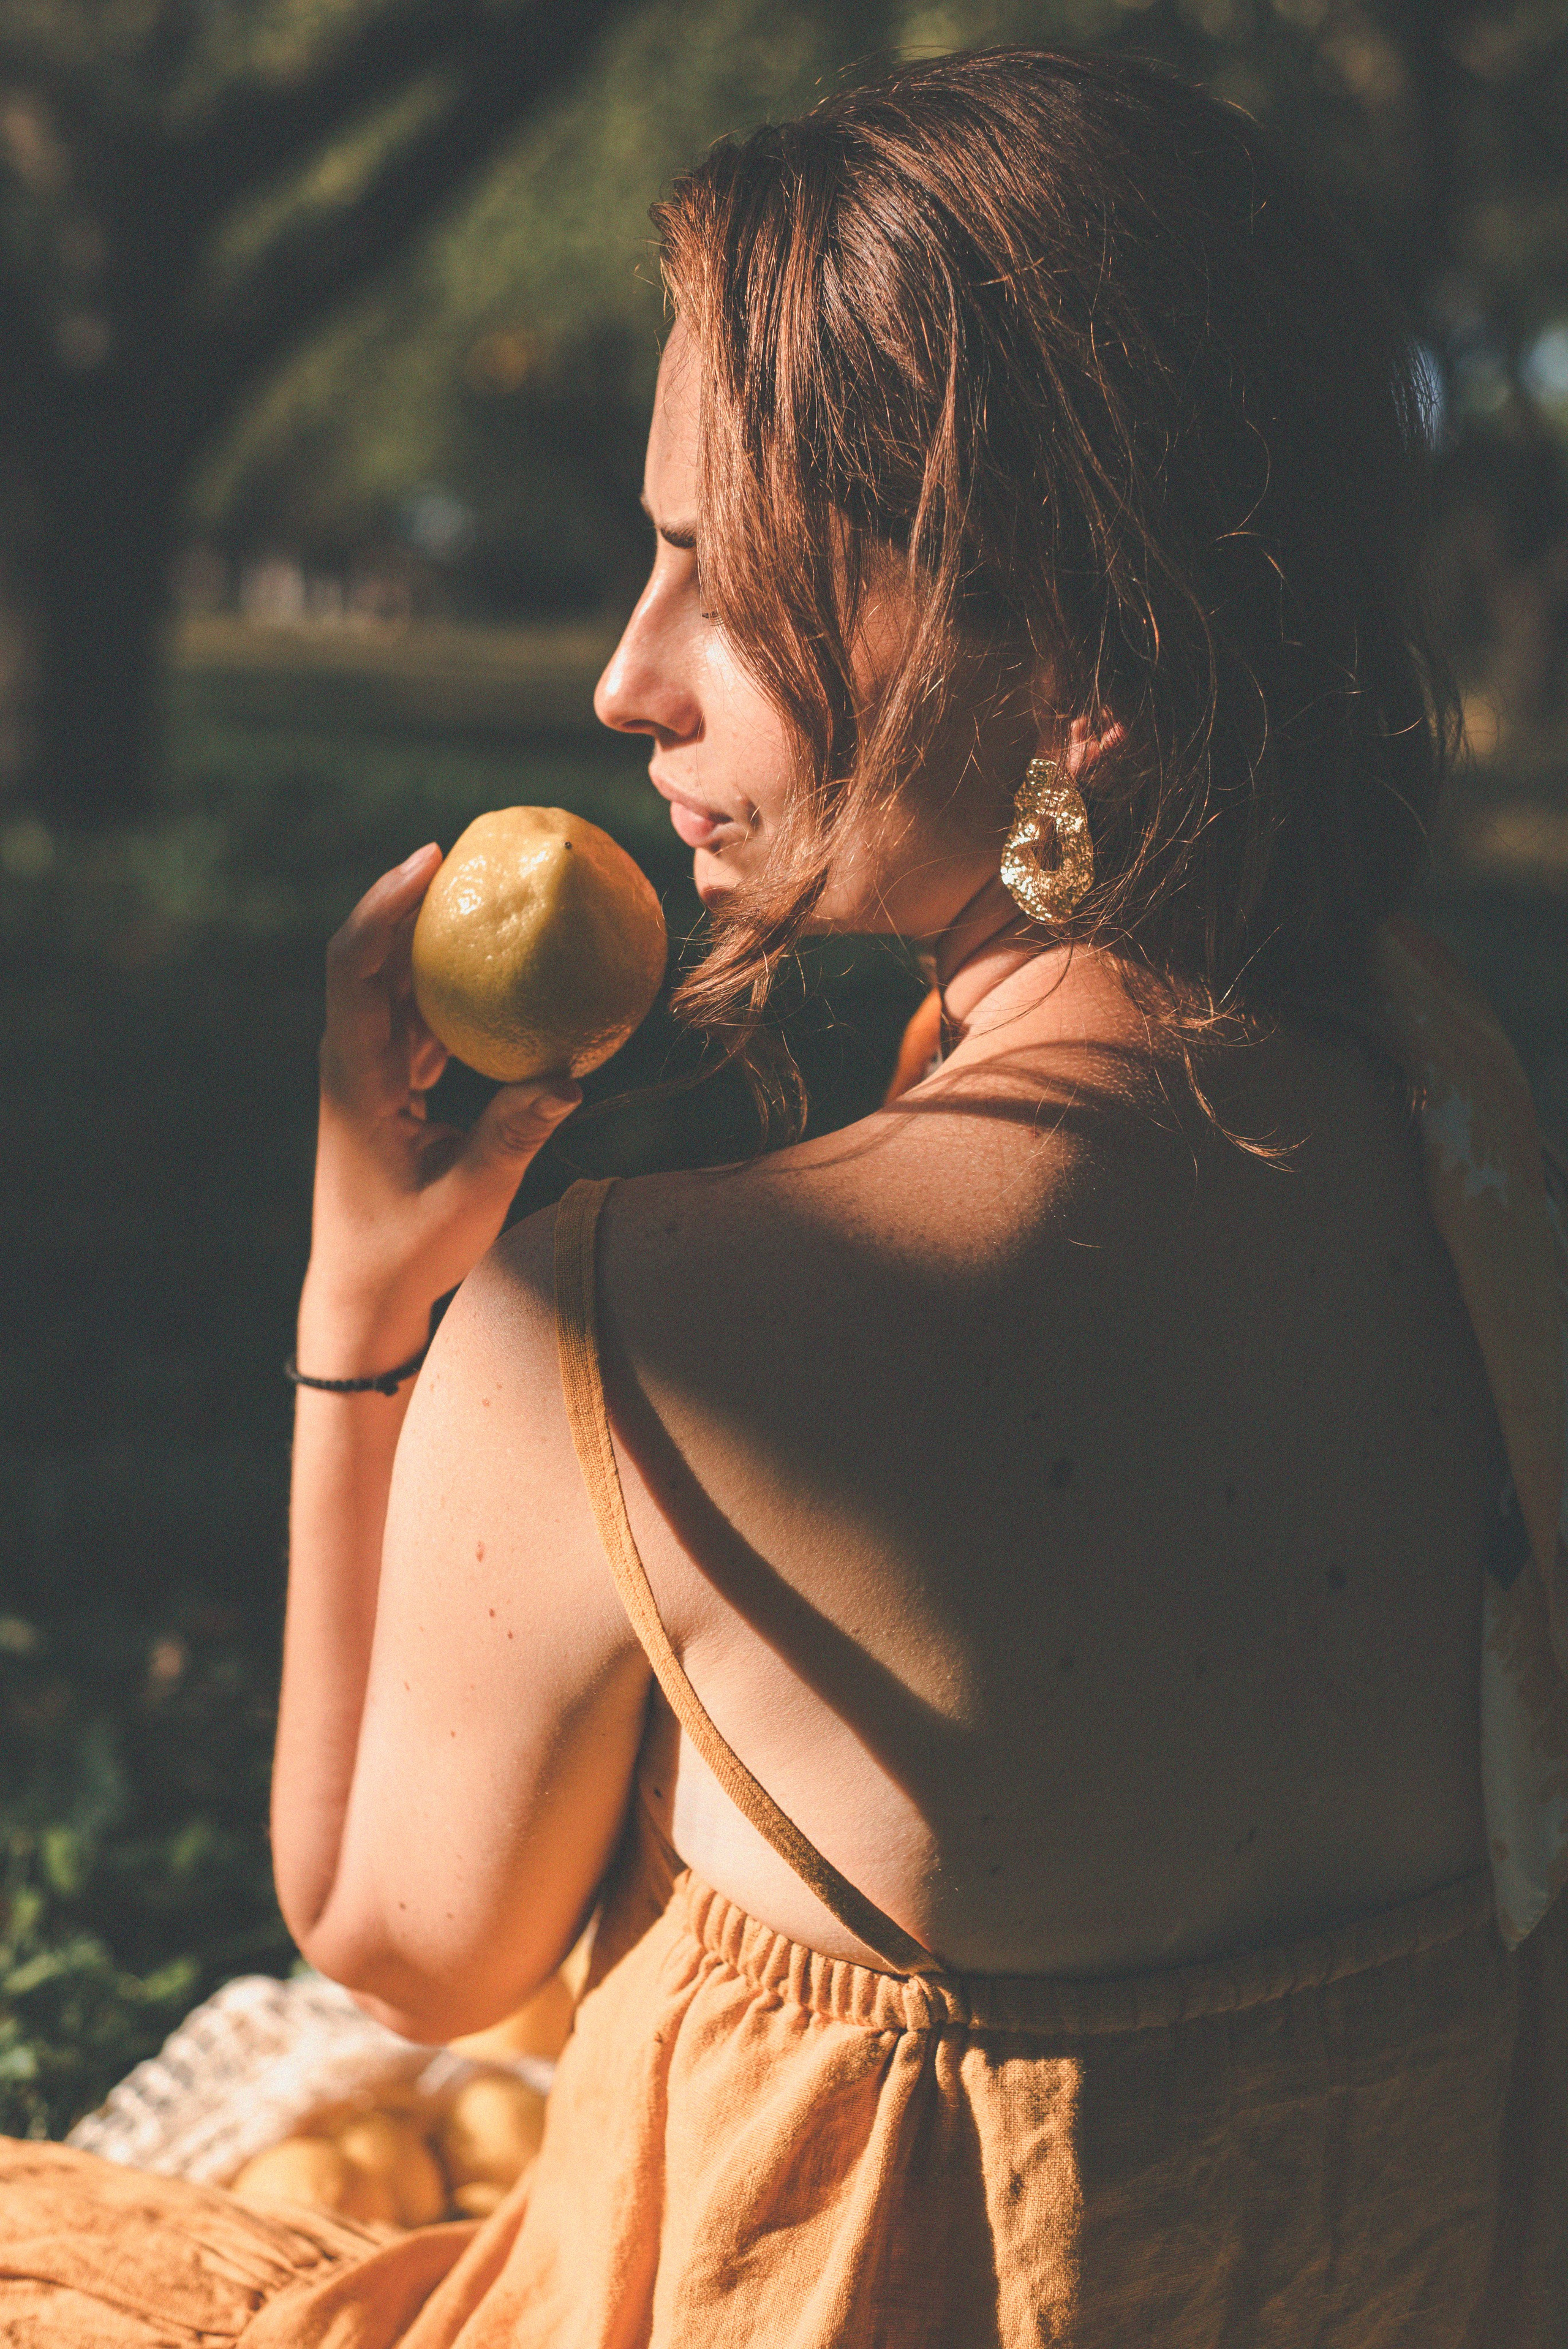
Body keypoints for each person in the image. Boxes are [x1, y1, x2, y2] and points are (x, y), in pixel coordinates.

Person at [2, 43, 1566, 2349]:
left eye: (718, 584)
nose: (630, 681)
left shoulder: (646, 1321)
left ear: (1078, 668)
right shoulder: (1457, 1107)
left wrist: (374, 1292)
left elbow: (399, 1932)